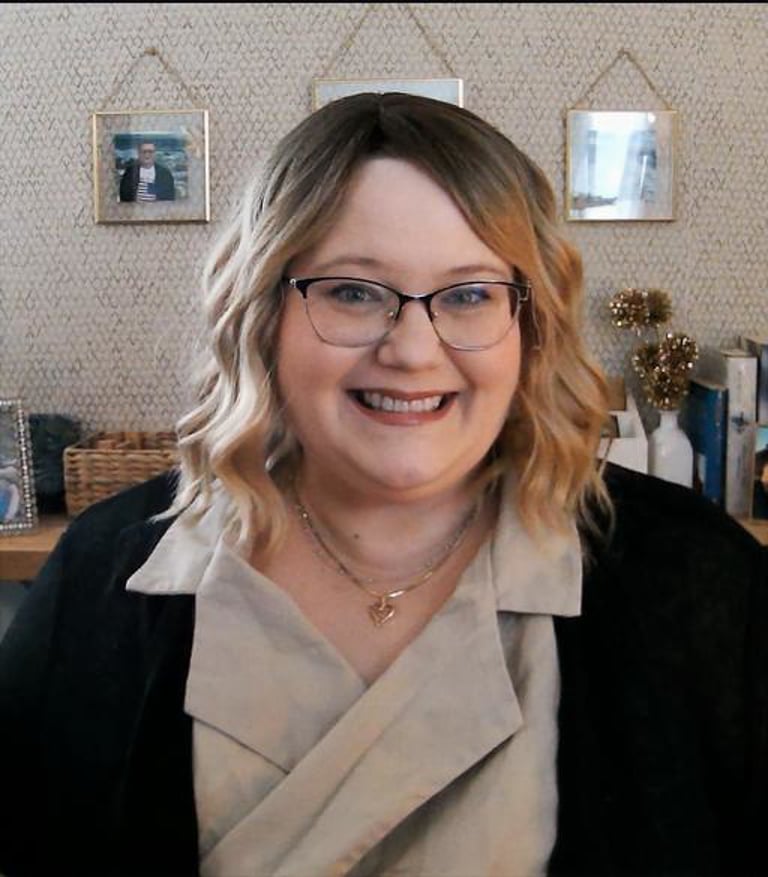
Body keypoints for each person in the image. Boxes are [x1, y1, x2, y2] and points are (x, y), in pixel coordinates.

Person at [0, 92, 765, 877]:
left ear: (531, 325)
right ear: (262, 313)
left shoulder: (699, 583)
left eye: (469, 295)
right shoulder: (99, 580)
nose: (412, 350)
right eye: (353, 291)